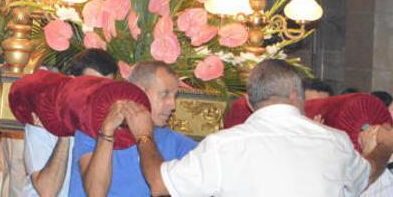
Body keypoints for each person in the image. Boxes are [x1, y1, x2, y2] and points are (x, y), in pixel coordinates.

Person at [125, 59, 393, 196]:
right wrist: (384, 146)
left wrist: (144, 134)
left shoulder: (224, 145)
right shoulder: (334, 142)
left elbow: (160, 184)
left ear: (251, 104)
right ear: (295, 96)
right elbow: (369, 173)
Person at [72, 61, 196, 196]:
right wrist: (107, 132)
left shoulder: (174, 141)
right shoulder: (90, 130)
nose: (173, 105)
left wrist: (144, 137)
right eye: (165, 94)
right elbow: (96, 193)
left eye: (174, 96)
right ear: (138, 92)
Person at [23, 50, 119, 197]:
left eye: (106, 89)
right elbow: (48, 191)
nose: (100, 97)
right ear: (72, 83)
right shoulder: (44, 119)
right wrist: (65, 133)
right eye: (92, 87)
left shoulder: (114, 123)